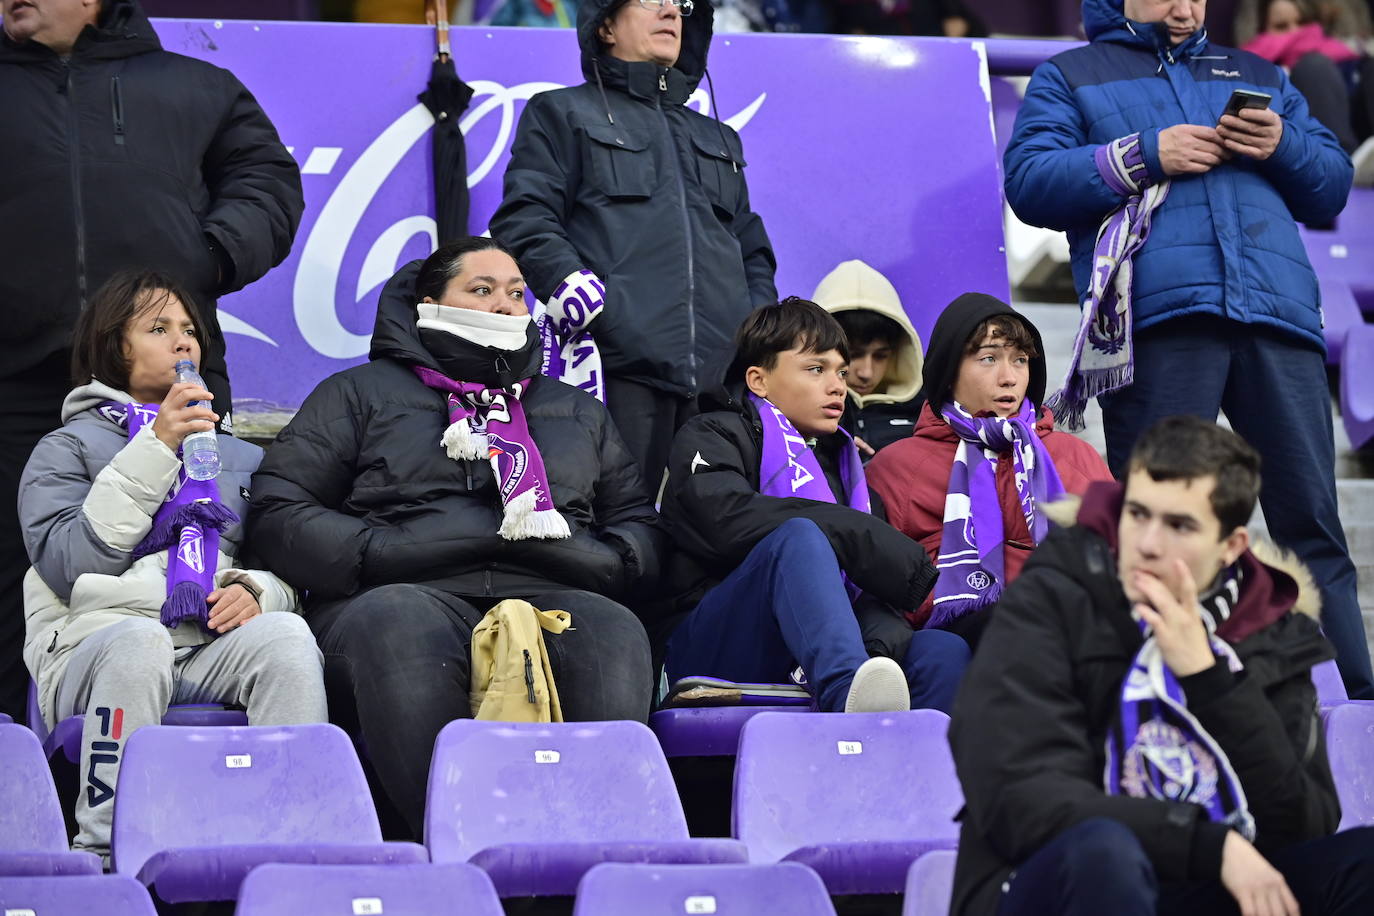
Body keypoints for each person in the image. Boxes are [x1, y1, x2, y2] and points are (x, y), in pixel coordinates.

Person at [1004, 0, 1374, 699]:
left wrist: (1281, 145)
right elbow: (1029, 182)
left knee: (1312, 526)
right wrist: (1143, 154)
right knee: (1157, 528)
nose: (1185, 6)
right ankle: (1159, 702)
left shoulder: (1261, 72)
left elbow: (1328, 186)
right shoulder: (1069, 75)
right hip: (1157, 322)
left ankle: (1353, 708)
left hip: (1278, 315)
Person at [246, 238, 660, 840]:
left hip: (551, 585)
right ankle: (458, 851)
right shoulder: (358, 394)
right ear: (429, 302)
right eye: (482, 290)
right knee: (397, 620)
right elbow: (278, 510)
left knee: (616, 629)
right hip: (400, 589)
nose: (504, 305)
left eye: (517, 293)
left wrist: (601, 560)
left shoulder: (577, 410)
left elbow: (638, 526)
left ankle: (584, 858)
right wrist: (377, 551)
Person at [0, 0, 304, 723]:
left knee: (197, 547)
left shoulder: (195, 85)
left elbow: (268, 181)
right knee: (23, 576)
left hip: (169, 389)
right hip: (13, 380)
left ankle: (188, 777)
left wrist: (205, 256)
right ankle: (30, 786)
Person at [949, 416, 1374, 916]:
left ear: (1231, 546)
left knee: (1361, 860)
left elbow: (1302, 823)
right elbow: (1020, 793)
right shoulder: (1054, 595)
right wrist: (1203, 844)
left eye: (1179, 525)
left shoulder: (1273, 629)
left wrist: (1210, 679)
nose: (1148, 543)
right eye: (1137, 514)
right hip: (1052, 881)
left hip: (1200, 890)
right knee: (1105, 852)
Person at [18, 270, 325, 862]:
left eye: (190, 329)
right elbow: (70, 565)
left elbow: (287, 569)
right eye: (158, 328)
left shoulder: (237, 457)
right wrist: (157, 448)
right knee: (138, 642)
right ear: (114, 347)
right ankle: (107, 852)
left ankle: (287, 847)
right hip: (94, 651)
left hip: (203, 648)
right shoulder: (64, 447)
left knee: (286, 636)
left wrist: (259, 590)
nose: (184, 342)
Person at [490, 0, 777, 485]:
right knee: (617, 535)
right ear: (604, 24)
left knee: (711, 548)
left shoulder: (719, 136)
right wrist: (566, 280)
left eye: (680, 3)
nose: (671, 11)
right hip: (615, 374)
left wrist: (757, 335)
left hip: (719, 388)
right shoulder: (561, 112)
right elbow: (525, 215)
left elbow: (750, 247)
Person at [658, 298, 969, 714]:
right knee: (800, 537)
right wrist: (850, 530)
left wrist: (875, 648)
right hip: (713, 644)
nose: (838, 385)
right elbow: (725, 520)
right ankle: (846, 703)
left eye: (840, 372)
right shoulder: (712, 433)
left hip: (816, 649)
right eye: (816, 369)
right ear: (759, 380)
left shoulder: (847, 467)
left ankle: (922, 773)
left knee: (941, 652)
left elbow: (878, 597)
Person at [866, 294, 1112, 648]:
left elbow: (1119, 560)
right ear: (948, 373)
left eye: (1020, 360)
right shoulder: (896, 467)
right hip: (964, 638)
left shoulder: (1074, 456)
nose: (1009, 377)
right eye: (989, 358)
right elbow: (887, 586)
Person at [810, 259, 926, 457]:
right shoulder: (791, 421)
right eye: (852, 355)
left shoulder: (929, 416)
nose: (867, 372)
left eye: (881, 356)